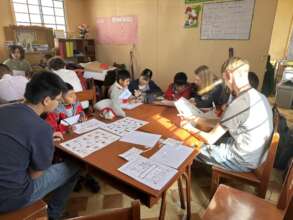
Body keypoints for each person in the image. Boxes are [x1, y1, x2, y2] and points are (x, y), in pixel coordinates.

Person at [0, 71, 79, 220]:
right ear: (47, 100)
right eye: (58, 100)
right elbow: (35, 175)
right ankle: (54, 214)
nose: (59, 104)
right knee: (74, 165)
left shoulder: (3, 109)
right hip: (11, 198)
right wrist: (44, 143)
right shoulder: (41, 127)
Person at [181, 57, 273, 172]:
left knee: (188, 145)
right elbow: (224, 123)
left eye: (224, 80)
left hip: (242, 160)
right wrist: (195, 119)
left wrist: (188, 127)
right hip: (255, 155)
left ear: (229, 75)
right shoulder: (259, 96)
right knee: (207, 137)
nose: (226, 85)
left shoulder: (239, 103)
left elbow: (210, 139)